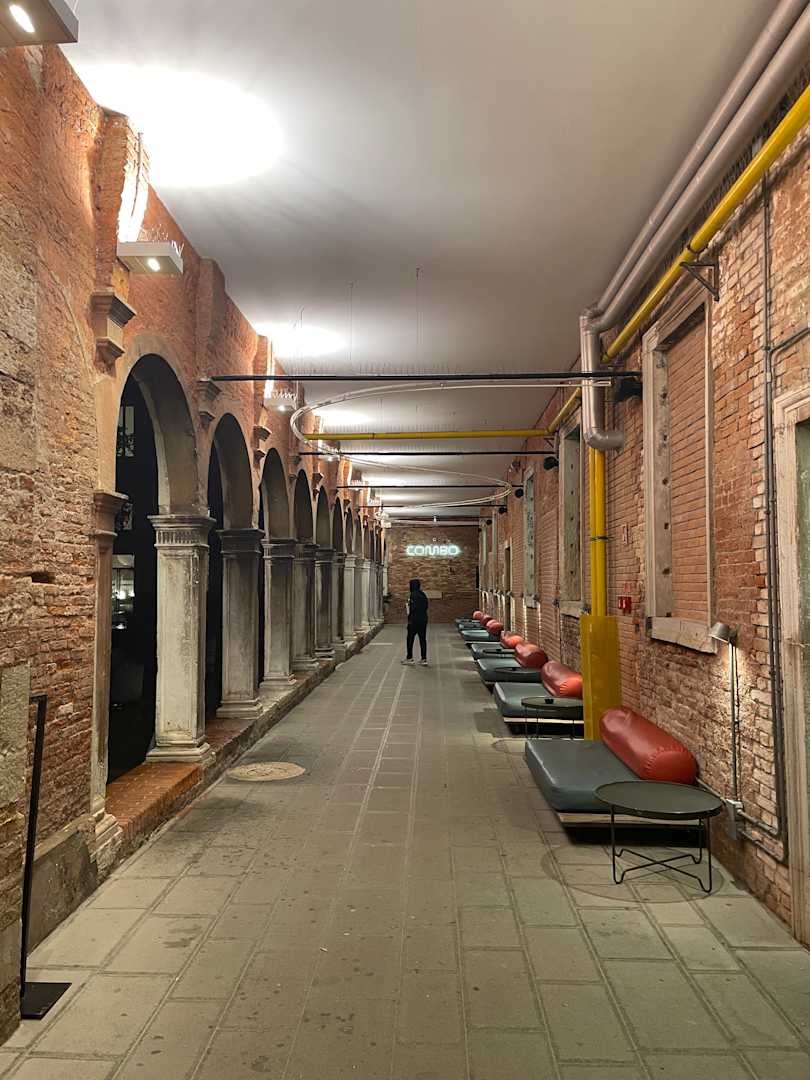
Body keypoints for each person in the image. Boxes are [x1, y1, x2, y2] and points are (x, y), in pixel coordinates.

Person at [402, 578, 429, 666]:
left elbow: (413, 609)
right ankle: (424, 659)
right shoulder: (423, 594)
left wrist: (410, 620)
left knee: (410, 639)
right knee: (422, 639)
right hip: (423, 619)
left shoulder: (413, 595)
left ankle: (409, 658)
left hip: (414, 620)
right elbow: (426, 606)